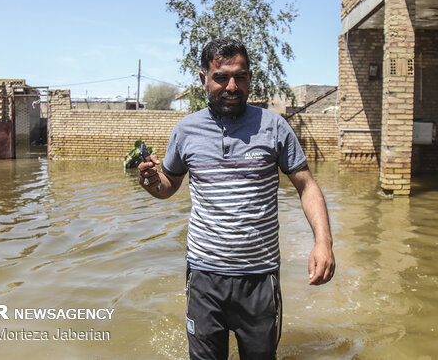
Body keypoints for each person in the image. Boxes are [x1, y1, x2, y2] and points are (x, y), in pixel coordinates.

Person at [138, 38, 335, 359]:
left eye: (240, 77)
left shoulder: (274, 127)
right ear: (203, 79)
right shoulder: (186, 130)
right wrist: (150, 181)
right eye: (221, 77)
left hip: (260, 278)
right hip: (204, 276)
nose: (232, 86)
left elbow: (307, 186)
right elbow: (168, 184)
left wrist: (323, 242)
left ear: (250, 78)